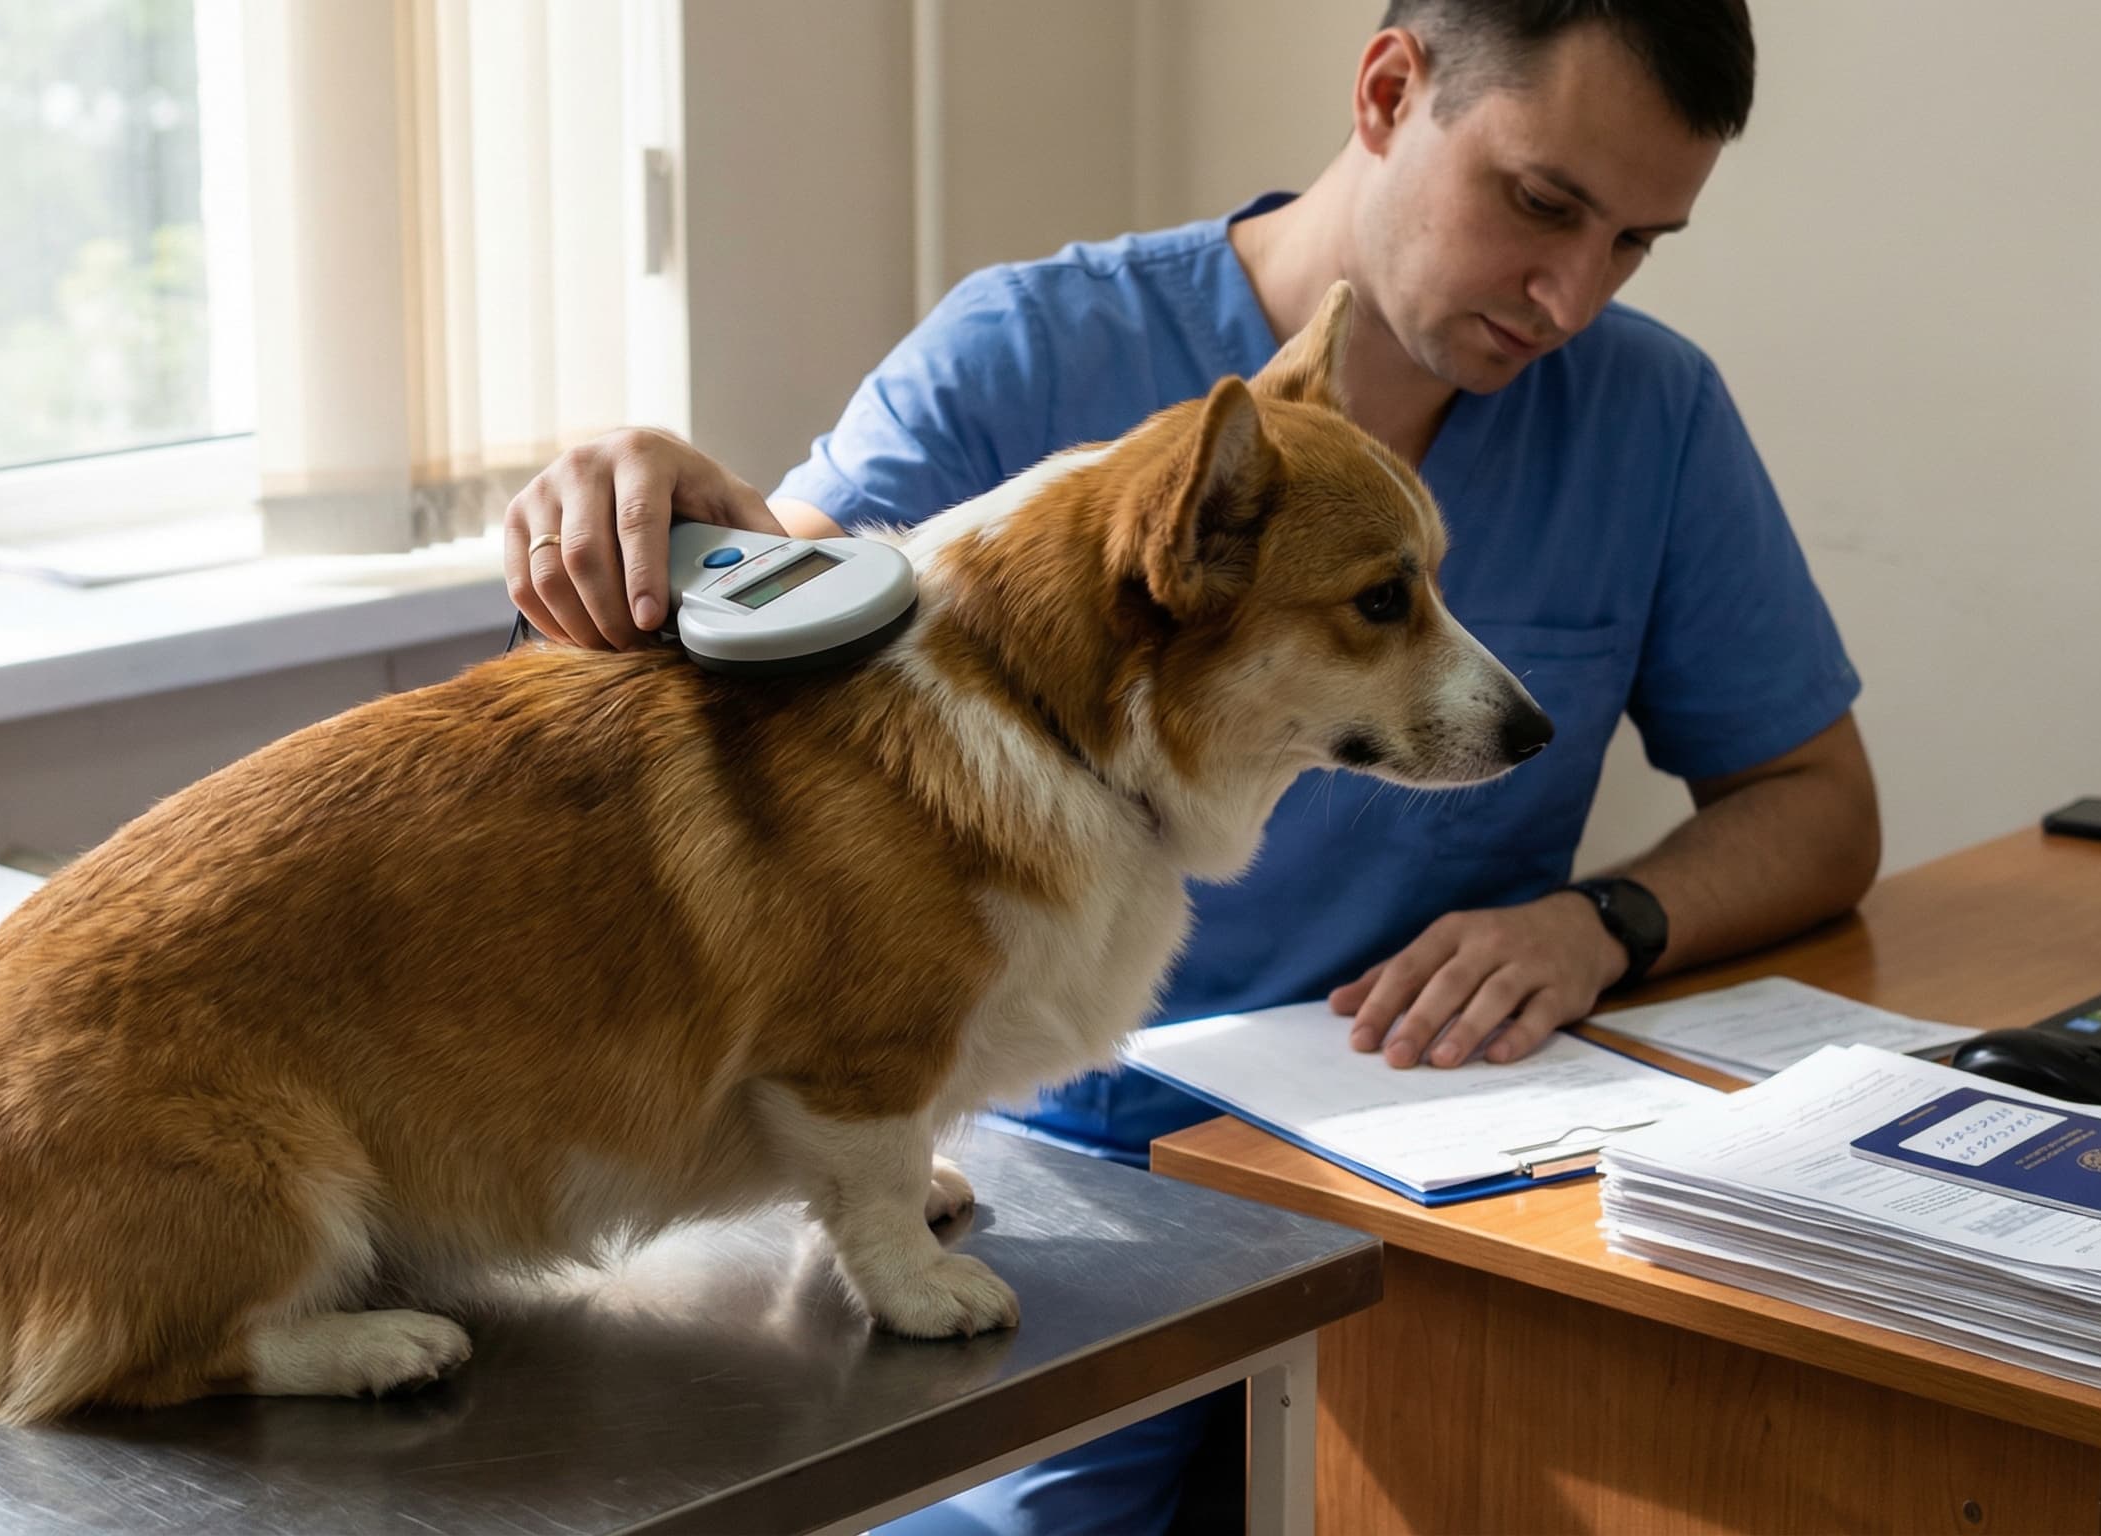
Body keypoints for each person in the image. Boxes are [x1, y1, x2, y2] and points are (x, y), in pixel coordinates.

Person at [505, 0, 1879, 1527]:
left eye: (1636, 242)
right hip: (1049, 1170)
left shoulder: (1651, 414)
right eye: (1542, 204)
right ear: (1385, 88)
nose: (1570, 295)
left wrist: (1599, 925)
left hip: (1433, 1168)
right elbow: (769, 656)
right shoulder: (1026, 357)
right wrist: (650, 533)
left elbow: (1816, 804)